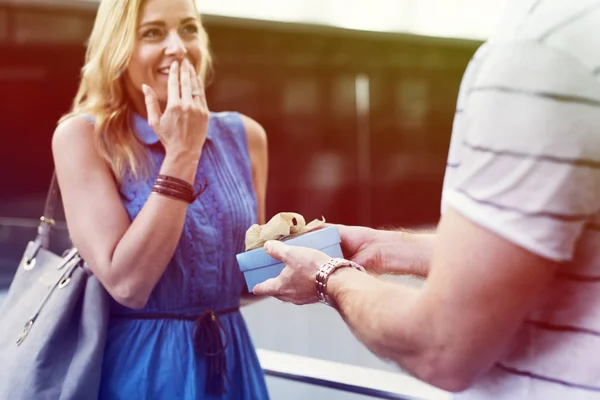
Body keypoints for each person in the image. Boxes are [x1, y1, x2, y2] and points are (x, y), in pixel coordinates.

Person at [253, 1, 600, 399]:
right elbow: (535, 249)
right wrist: (382, 247)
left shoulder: (542, 51)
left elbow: (440, 346)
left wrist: (327, 276)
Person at [52, 0, 269, 398]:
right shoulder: (82, 138)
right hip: (144, 373)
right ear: (119, 48)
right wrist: (183, 153)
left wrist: (307, 252)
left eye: (188, 29)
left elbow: (243, 281)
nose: (178, 46)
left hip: (231, 362)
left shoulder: (246, 136)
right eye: (153, 33)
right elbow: (128, 283)